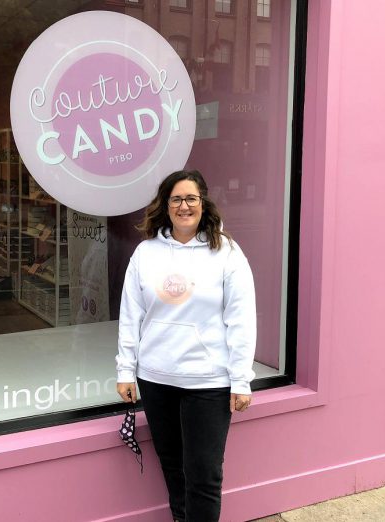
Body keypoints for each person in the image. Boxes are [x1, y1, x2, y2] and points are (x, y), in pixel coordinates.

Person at [116, 170, 256, 522]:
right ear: (165, 206)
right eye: (176, 199)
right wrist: (125, 370)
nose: (184, 206)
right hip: (156, 378)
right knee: (173, 467)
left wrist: (241, 379)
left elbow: (241, 319)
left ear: (203, 203)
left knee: (204, 476)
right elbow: (130, 315)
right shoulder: (145, 253)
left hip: (207, 382)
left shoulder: (227, 253)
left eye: (191, 198)